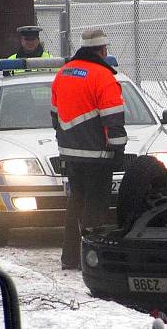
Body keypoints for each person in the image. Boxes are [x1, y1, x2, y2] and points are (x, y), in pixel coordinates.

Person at [51, 29, 127, 270]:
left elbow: (55, 115)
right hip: (97, 155)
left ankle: (70, 257)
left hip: (71, 153)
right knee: (96, 206)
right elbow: (113, 119)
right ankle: (93, 260)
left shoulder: (63, 73)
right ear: (103, 49)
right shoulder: (103, 76)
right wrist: (118, 151)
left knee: (76, 202)